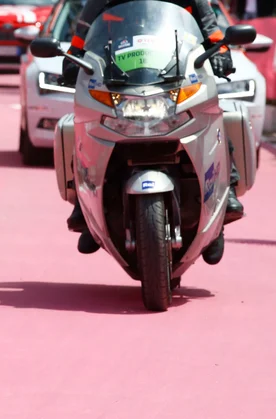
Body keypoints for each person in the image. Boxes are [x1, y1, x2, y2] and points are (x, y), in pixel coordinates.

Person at [60, 0, 244, 262]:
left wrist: (221, 51)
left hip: (175, 75)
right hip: (121, 80)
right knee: (86, 123)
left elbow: (209, 25)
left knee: (213, 117)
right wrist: (74, 56)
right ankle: (87, 206)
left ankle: (226, 197)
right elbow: (85, 29)